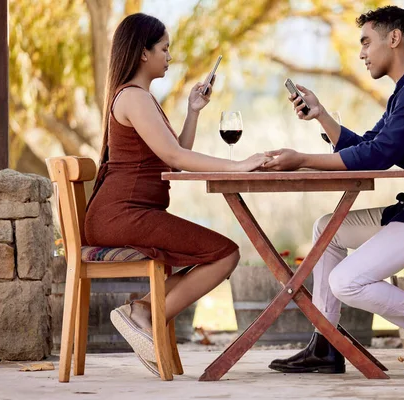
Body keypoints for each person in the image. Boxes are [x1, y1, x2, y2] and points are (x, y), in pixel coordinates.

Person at [264, 5, 404, 375]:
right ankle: (326, 344)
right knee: (328, 229)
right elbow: (370, 143)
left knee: (346, 282)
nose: (361, 52)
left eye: (367, 41)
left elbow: (378, 156)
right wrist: (321, 114)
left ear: (395, 38)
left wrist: (301, 160)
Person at [84, 13, 270, 376]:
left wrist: (193, 112)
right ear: (143, 53)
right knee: (225, 254)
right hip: (121, 216)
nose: (169, 56)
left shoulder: (140, 98)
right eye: (164, 48)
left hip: (125, 215)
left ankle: (142, 311)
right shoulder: (134, 98)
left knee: (214, 253)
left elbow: (175, 153)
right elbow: (174, 157)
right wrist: (239, 165)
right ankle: (145, 314)